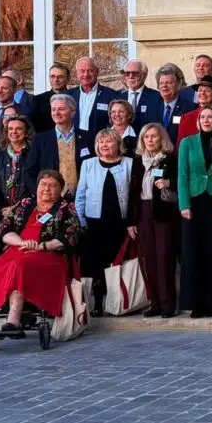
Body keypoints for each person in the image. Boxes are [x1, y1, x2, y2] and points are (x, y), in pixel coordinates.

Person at [0, 171, 84, 332]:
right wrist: (21, 242)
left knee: (20, 267)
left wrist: (41, 246)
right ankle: (8, 306)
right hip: (18, 249)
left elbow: (70, 237)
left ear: (60, 190)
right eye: (43, 184)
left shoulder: (66, 207)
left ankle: (13, 319)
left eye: (53, 185)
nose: (47, 189)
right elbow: (4, 228)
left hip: (49, 255)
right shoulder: (25, 203)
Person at [74, 129, 140, 315]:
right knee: (95, 264)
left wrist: (133, 220)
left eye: (109, 141)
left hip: (120, 223)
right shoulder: (88, 164)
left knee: (117, 263)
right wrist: (81, 221)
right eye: (101, 141)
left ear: (118, 144)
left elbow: (135, 195)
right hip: (94, 223)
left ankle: (116, 302)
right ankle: (97, 303)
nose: (104, 145)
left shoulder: (129, 163)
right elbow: (80, 196)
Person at [177, 105, 212, 318]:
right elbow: (182, 175)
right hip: (194, 202)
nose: (206, 120)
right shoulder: (187, 143)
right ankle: (195, 302)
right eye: (202, 117)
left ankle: (211, 301)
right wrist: (184, 205)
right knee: (192, 252)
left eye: (210, 117)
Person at [134, 122, 180, 318]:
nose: (150, 140)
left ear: (162, 139)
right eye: (146, 137)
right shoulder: (138, 162)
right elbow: (132, 191)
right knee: (149, 259)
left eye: (154, 136)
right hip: (143, 212)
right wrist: (131, 221)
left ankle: (168, 304)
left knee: (164, 258)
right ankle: (154, 303)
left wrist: (168, 182)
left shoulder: (170, 160)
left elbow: (180, 182)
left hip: (163, 213)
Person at [0, 116, 41, 214]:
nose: (14, 132)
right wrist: (0, 208)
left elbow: (36, 184)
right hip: (2, 212)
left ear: (26, 132)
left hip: (27, 211)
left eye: (19, 129)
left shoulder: (35, 155)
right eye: (10, 129)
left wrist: (18, 207)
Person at [36, 94, 85, 195]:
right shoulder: (40, 139)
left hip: (81, 197)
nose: (56, 113)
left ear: (72, 112)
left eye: (61, 109)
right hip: (50, 198)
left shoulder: (87, 138)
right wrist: (40, 194)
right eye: (53, 109)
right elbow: (29, 171)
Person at [66, 56, 117, 145]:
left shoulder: (111, 95)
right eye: (82, 71)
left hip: (101, 145)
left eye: (90, 70)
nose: (86, 74)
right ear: (77, 73)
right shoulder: (68, 95)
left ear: (97, 72)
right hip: (73, 144)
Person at [178, 78, 212, 144]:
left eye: (207, 90)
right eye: (200, 90)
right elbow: (180, 146)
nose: (202, 93)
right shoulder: (186, 118)